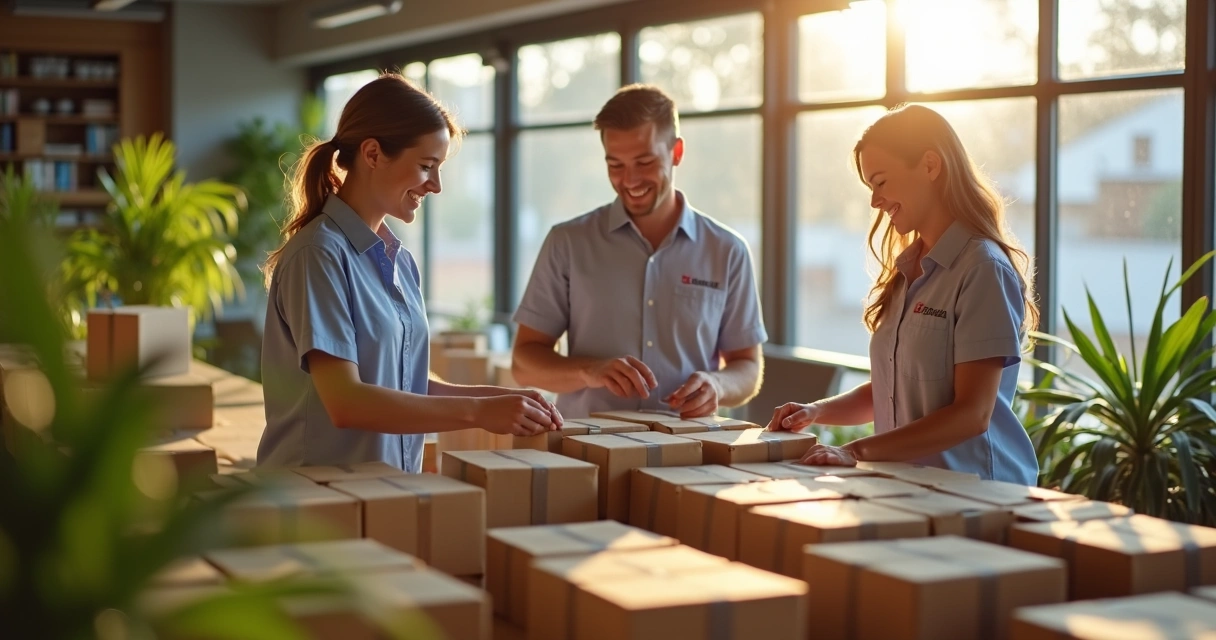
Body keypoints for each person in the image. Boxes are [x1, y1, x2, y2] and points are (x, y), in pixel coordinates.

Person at [257, 73, 561, 472]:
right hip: (316, 503)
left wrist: (500, 400)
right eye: (426, 166)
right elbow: (346, 401)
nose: (435, 185)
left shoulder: (398, 259)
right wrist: (477, 413)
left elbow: (403, 383)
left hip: (387, 493)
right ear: (372, 154)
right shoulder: (319, 255)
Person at [768, 103, 1039, 485]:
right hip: (910, 488)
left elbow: (972, 414)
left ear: (930, 165)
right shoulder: (907, 270)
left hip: (977, 494)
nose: (875, 201)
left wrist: (854, 451)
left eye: (880, 182)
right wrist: (815, 411)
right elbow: (893, 388)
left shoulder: (982, 269)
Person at [511, 84, 766, 420]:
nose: (629, 180)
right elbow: (524, 364)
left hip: (689, 455)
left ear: (676, 153)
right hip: (587, 455)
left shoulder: (727, 250)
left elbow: (747, 366)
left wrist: (718, 384)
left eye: (644, 162)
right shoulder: (567, 243)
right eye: (615, 165)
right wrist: (589, 370)